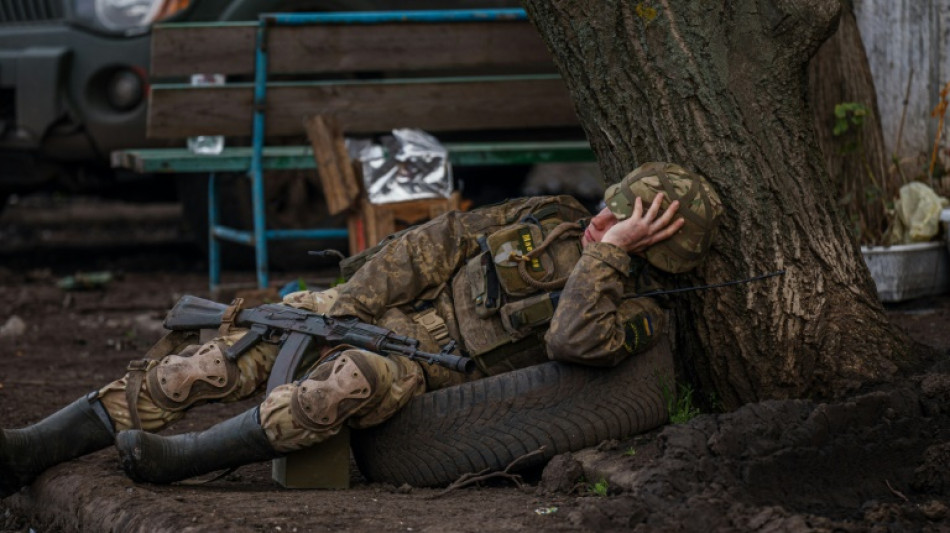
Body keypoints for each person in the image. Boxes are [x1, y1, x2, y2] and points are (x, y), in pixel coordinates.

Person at [0, 161, 722, 494]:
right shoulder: (546, 214)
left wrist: (604, 260)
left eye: (623, 222)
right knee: (209, 362)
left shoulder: (636, 317)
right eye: (611, 208)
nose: (601, 220)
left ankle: (179, 458)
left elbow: (571, 343)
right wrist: (352, 303)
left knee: (333, 389)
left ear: (650, 247)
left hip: (433, 371)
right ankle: (38, 446)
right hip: (380, 313)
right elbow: (432, 244)